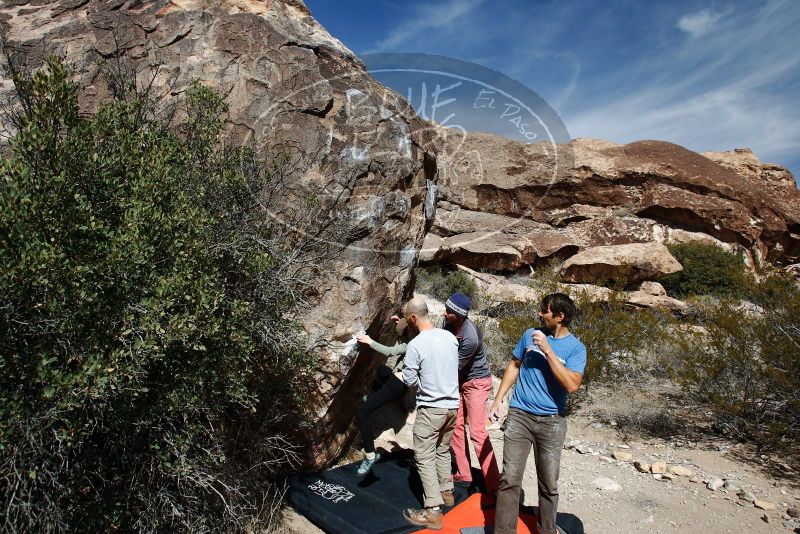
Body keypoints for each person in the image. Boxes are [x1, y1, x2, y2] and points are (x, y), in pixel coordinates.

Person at [488, 293, 587, 534]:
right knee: (509, 479)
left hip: (552, 422)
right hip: (519, 416)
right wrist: (498, 398)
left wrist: (548, 350)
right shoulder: (528, 335)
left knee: (549, 484)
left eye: (545, 311)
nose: (539, 315)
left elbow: (572, 385)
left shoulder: (576, 348)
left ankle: (546, 530)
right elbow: (514, 365)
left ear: (560, 317)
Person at [401, 296, 460, 530]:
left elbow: (408, 379)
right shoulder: (449, 337)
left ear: (414, 318)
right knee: (442, 450)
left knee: (424, 456)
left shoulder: (416, 344)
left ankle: (433, 511)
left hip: (431, 407)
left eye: (408, 320)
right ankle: (447, 493)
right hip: (452, 406)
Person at [443, 292, 500, 494]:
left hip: (476, 382)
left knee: (477, 432)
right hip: (457, 381)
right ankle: (464, 473)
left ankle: (495, 484)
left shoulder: (470, 337)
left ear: (458, 315)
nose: (444, 313)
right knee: (456, 427)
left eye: (448, 311)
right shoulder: (448, 325)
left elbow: (453, 365)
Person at [354, 314, 416, 476]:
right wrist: (400, 324)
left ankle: (370, 454)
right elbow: (403, 339)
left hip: (395, 386)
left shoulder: (411, 345)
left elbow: (390, 351)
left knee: (362, 412)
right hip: (400, 386)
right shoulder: (420, 342)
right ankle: (377, 398)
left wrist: (369, 341)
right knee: (382, 370)